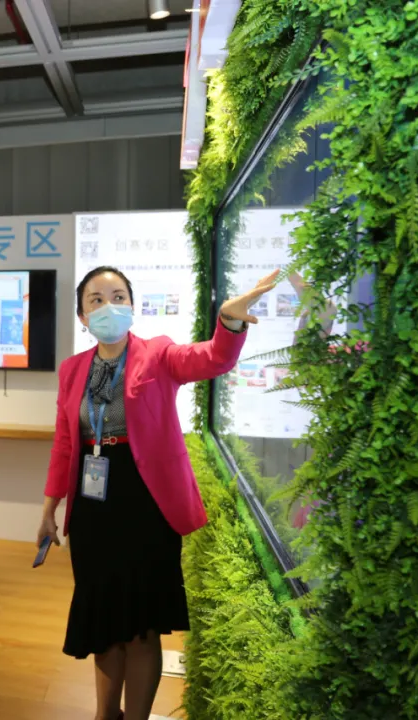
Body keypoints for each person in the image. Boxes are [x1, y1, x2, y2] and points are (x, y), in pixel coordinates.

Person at [38, 265, 277, 720]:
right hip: (93, 510)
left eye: (118, 297)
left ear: (132, 306)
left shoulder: (158, 354)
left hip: (146, 506)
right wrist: (49, 508)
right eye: (96, 300)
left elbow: (211, 359)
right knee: (104, 622)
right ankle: (105, 714)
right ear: (82, 316)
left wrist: (228, 322)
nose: (109, 306)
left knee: (141, 628)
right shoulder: (72, 370)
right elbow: (65, 443)